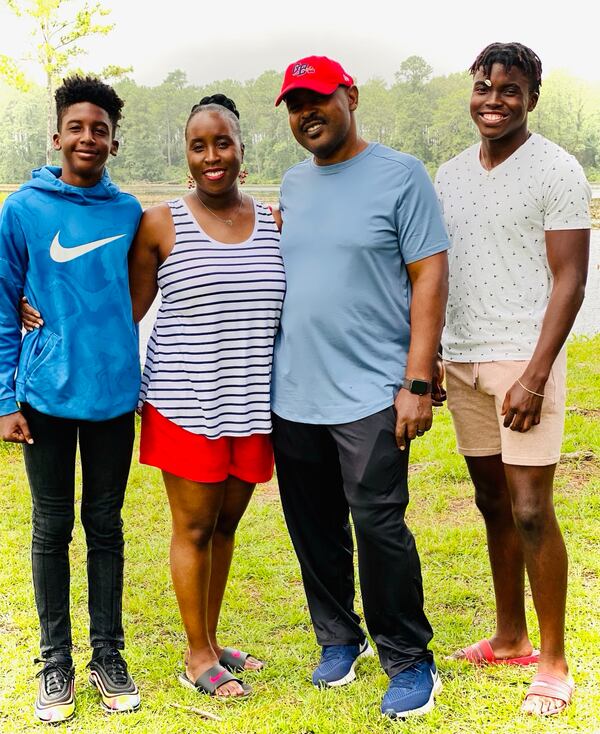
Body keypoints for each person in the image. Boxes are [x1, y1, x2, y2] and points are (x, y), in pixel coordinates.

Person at [271, 56, 449, 719]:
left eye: (316, 98)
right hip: (293, 390)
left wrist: (417, 380)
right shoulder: (291, 184)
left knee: (378, 526)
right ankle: (339, 639)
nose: (305, 113)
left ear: (350, 95)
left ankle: (409, 658)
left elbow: (429, 276)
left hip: (375, 391)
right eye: (294, 104)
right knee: (312, 525)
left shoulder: (401, 175)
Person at [435, 42, 591, 716]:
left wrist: (535, 374)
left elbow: (572, 279)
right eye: (483, 86)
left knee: (530, 509)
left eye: (509, 88)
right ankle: (508, 639)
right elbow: (438, 272)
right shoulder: (448, 174)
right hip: (463, 359)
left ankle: (553, 662)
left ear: (532, 96)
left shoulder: (557, 169)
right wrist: (434, 356)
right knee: (493, 503)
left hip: (525, 361)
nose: (492, 99)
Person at [127, 94, 285, 697]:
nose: (211, 156)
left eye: (223, 143)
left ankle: (213, 641)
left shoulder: (273, 221)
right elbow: (126, 313)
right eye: (199, 145)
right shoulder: (161, 222)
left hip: (251, 406)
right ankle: (196, 657)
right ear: (186, 155)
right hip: (183, 404)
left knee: (225, 529)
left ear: (243, 151)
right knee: (193, 529)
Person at [0, 76, 142, 723]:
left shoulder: (129, 212)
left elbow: (151, 287)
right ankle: (55, 662)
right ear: (58, 135)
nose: (89, 138)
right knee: (51, 529)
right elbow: (5, 309)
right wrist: (6, 399)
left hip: (113, 399)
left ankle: (107, 655)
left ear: (114, 140)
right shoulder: (23, 210)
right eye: (77, 127)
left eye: (100, 129)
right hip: (46, 399)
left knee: (105, 528)